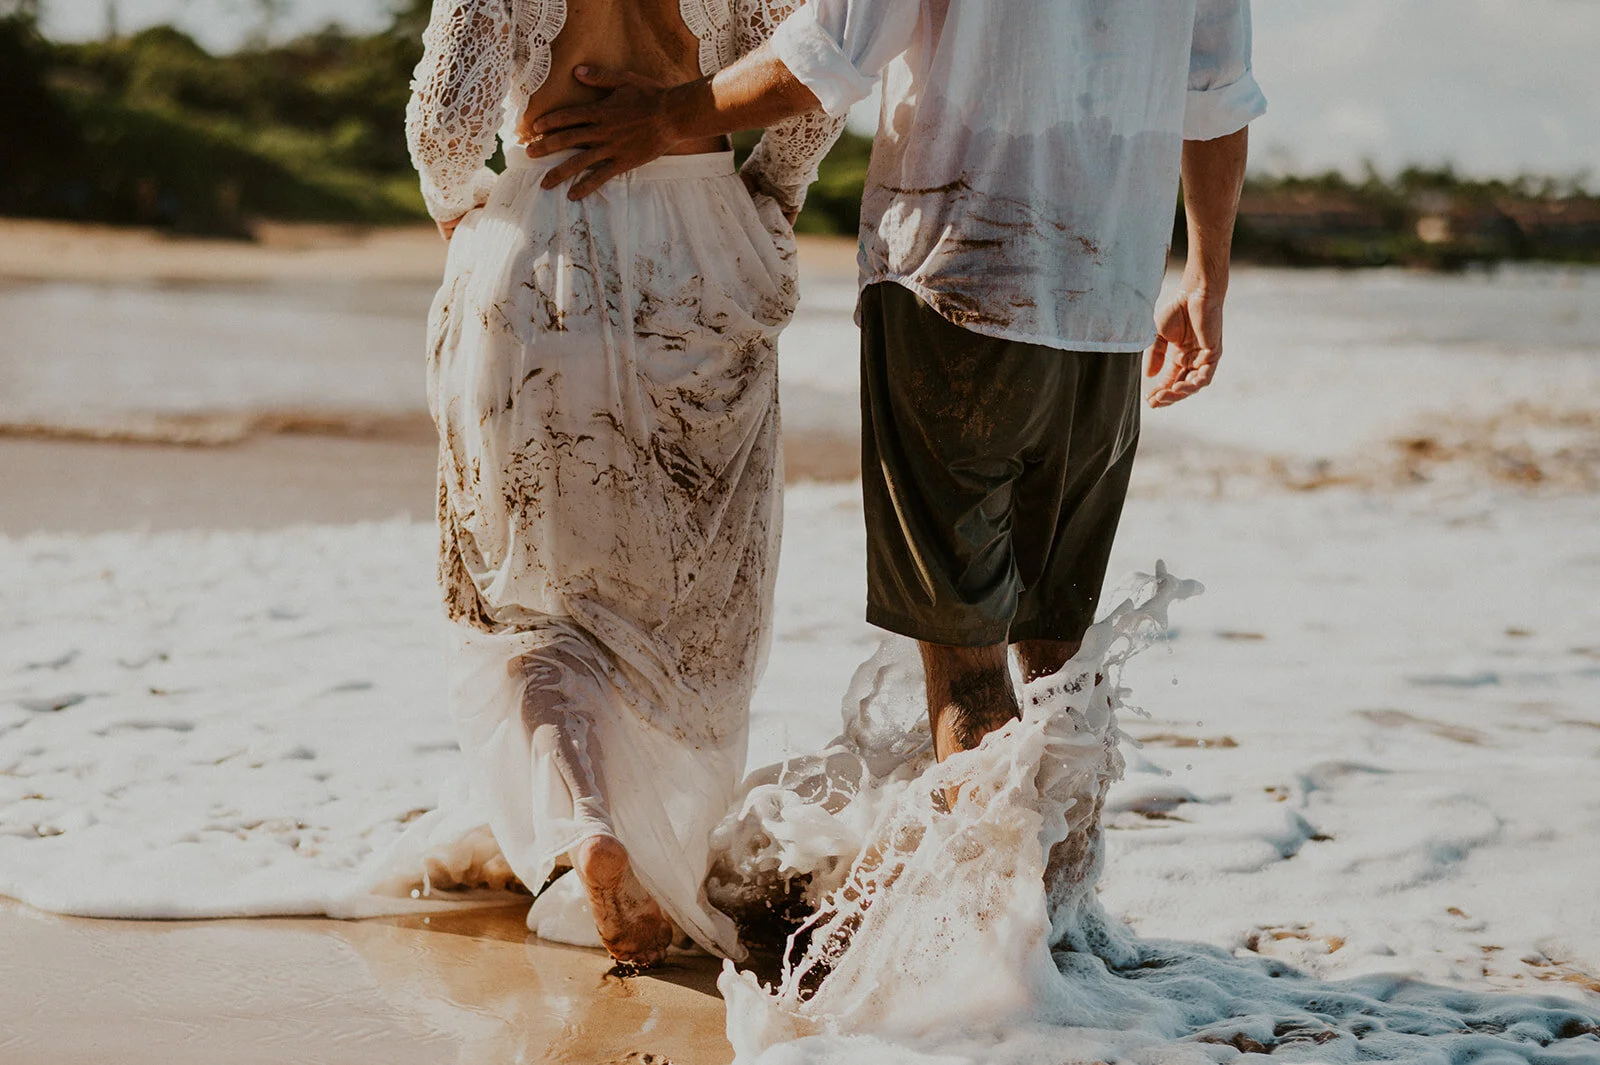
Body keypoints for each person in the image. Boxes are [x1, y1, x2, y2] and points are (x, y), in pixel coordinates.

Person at [523, 2, 1265, 786]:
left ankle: (996, 910)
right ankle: (1062, 904)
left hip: (957, 283)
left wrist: (667, 117)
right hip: (1107, 301)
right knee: (1063, 664)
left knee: (970, 672)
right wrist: (1206, 273)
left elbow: (833, 50)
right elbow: (1216, 88)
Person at [405, 0, 844, 968]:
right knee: (693, 600)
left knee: (531, 598)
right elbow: (816, 83)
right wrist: (770, 193)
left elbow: (444, 120)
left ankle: (591, 819)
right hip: (698, 251)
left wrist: (460, 205)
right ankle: (652, 847)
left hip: (544, 236)